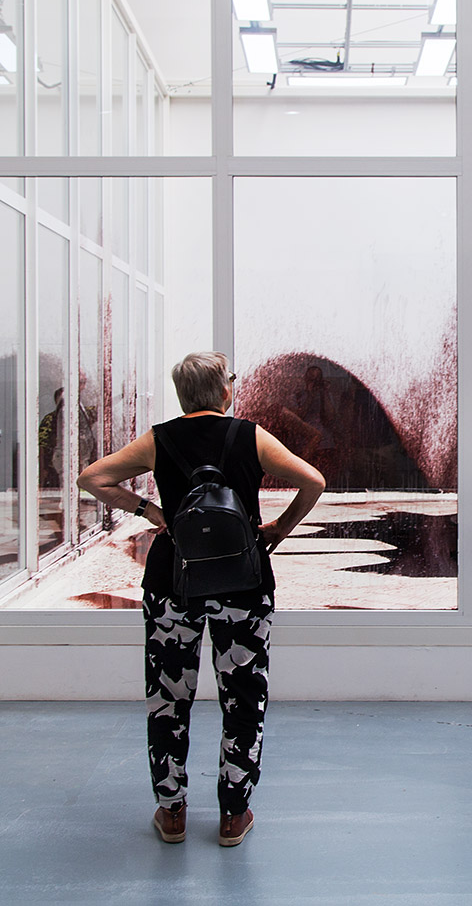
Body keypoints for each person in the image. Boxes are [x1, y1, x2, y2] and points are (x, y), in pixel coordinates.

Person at [78, 352, 325, 847]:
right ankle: (234, 813)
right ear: (224, 389)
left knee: (168, 697)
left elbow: (92, 478)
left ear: (182, 393)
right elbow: (313, 481)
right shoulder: (250, 435)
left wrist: (149, 510)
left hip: (173, 581)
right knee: (244, 696)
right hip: (243, 583)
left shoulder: (159, 439)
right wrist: (280, 527)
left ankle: (172, 812)